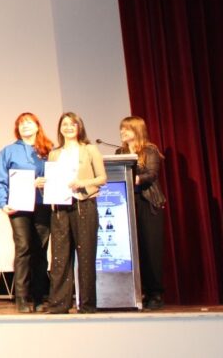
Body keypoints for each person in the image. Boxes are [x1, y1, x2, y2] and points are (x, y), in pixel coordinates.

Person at [46, 112, 105, 314]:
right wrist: (44, 183)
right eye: (64, 124)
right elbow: (53, 179)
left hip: (84, 204)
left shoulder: (89, 149)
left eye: (72, 124)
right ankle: (59, 304)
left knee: (86, 255)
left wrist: (82, 182)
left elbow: (102, 178)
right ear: (60, 128)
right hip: (60, 208)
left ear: (79, 127)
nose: (68, 127)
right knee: (60, 257)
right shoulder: (55, 153)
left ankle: (87, 304)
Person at [0, 112, 53, 313]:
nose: (25, 126)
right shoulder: (9, 151)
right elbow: (0, 179)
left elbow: (56, 175)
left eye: (29, 122)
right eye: (21, 123)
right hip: (18, 206)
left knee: (40, 250)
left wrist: (46, 181)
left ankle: (39, 297)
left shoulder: (48, 149)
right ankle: (21, 297)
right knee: (23, 247)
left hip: (42, 204)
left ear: (37, 126)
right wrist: (3, 203)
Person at [117, 116, 166, 310]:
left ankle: (156, 293)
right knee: (133, 250)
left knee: (150, 249)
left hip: (148, 203)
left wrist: (134, 179)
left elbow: (151, 174)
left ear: (137, 130)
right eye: (121, 129)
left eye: (127, 129)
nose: (122, 132)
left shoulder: (149, 150)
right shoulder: (119, 152)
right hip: (127, 204)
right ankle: (140, 292)